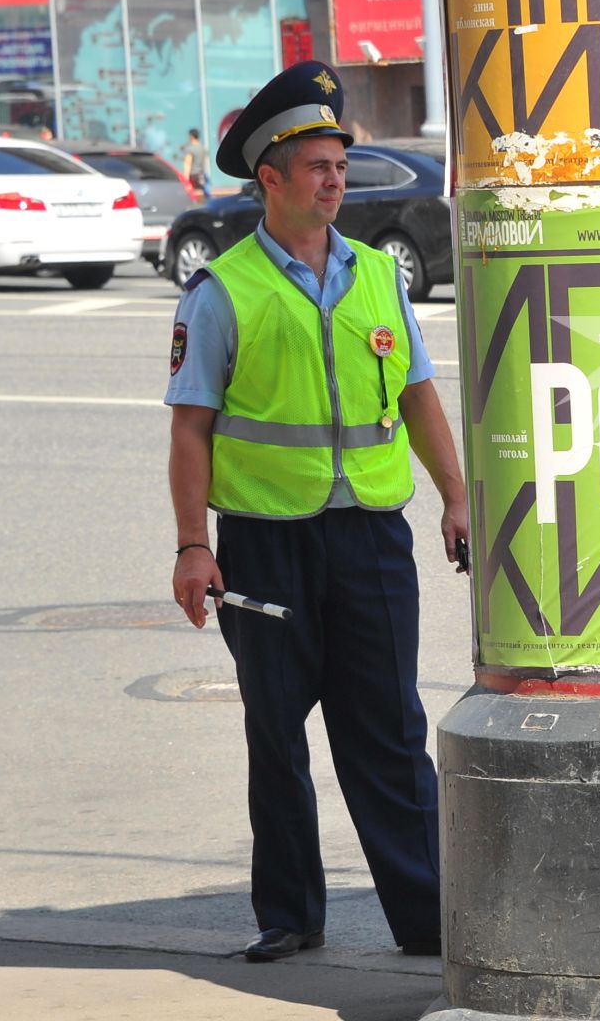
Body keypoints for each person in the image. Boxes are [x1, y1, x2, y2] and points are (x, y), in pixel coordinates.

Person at [165, 61, 468, 963]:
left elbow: (417, 397)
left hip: (372, 537)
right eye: (317, 167)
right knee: (277, 731)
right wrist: (192, 547)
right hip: (264, 544)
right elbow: (191, 434)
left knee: (389, 730)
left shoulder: (379, 276)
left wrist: (455, 498)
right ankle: (291, 914)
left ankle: (428, 918)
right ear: (270, 179)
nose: (335, 179)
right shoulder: (222, 290)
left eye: (341, 163)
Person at [181, 128, 206, 195]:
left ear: (191, 136)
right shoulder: (202, 147)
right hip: (200, 174)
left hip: (192, 175)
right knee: (201, 193)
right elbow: (204, 161)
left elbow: (187, 164)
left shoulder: (190, 149)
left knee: (192, 194)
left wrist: (185, 178)